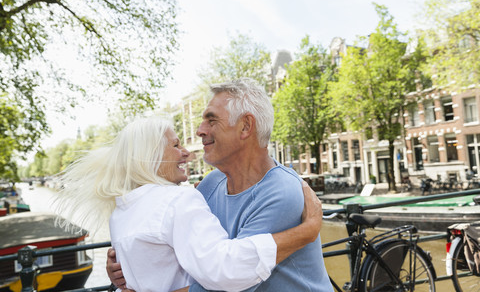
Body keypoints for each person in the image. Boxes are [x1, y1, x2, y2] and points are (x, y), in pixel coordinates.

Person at [108, 78, 333, 291]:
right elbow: (190, 252)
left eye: (211, 119)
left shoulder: (281, 192)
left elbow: (229, 282)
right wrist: (132, 266)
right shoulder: (210, 184)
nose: (200, 130)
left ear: (245, 127)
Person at [54, 116, 323, 292]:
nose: (187, 152)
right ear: (150, 155)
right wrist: (308, 231)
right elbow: (226, 270)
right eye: (176, 145)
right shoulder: (179, 199)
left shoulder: (122, 210)